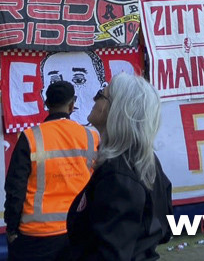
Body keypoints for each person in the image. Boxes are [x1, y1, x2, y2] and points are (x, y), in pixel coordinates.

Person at [65, 75, 172, 261]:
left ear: (117, 110)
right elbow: (163, 227)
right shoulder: (145, 161)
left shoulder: (119, 175)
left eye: (101, 95)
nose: (94, 99)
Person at [4, 81, 99, 261]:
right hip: (77, 231)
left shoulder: (30, 137)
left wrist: (11, 227)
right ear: (72, 104)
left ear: (46, 104)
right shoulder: (90, 137)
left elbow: (15, 188)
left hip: (36, 235)